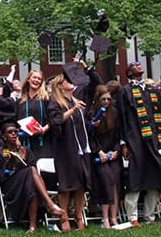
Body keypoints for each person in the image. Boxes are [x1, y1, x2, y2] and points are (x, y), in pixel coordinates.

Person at [116, 60, 161, 226]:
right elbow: (122, 118)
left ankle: (150, 215)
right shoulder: (125, 91)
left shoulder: (153, 90)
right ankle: (132, 217)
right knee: (135, 176)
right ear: (129, 73)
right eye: (134, 65)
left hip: (155, 140)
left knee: (155, 175)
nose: (139, 66)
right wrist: (123, 142)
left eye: (139, 64)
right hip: (135, 140)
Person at [0, 122, 66, 233]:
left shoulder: (25, 150)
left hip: (27, 183)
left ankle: (33, 227)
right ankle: (49, 204)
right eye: (10, 132)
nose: (13, 134)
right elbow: (1, 177)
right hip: (11, 186)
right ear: (3, 136)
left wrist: (22, 158)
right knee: (30, 173)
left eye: (15, 132)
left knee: (31, 181)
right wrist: (11, 164)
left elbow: (34, 168)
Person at [48, 67, 94, 232]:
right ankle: (64, 217)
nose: (70, 81)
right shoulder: (55, 102)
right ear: (60, 86)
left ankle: (79, 216)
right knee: (66, 184)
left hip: (82, 147)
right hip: (65, 148)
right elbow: (56, 122)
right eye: (67, 80)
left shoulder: (76, 99)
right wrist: (72, 110)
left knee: (81, 183)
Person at [87, 86, 121, 228]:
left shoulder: (115, 112)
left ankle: (114, 217)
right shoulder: (92, 114)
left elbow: (120, 134)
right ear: (98, 99)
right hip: (99, 155)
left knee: (115, 183)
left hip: (113, 153)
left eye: (108, 99)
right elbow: (90, 137)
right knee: (106, 182)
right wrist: (98, 151)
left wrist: (116, 151)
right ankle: (105, 218)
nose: (106, 101)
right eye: (103, 99)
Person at [17, 70, 52, 158]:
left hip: (43, 142)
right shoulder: (20, 101)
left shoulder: (46, 99)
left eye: (39, 79)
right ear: (28, 79)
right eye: (34, 77)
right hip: (24, 141)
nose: (36, 80)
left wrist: (44, 129)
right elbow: (15, 120)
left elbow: (54, 118)